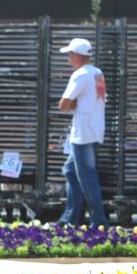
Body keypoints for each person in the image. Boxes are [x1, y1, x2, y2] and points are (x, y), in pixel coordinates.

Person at [57, 36, 109, 227]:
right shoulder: (98, 73)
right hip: (95, 130)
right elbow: (97, 100)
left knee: (87, 177)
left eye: (70, 54)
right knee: (71, 171)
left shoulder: (80, 75)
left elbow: (63, 104)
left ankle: (99, 220)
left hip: (83, 133)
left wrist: (72, 104)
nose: (69, 58)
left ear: (78, 56)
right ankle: (70, 217)